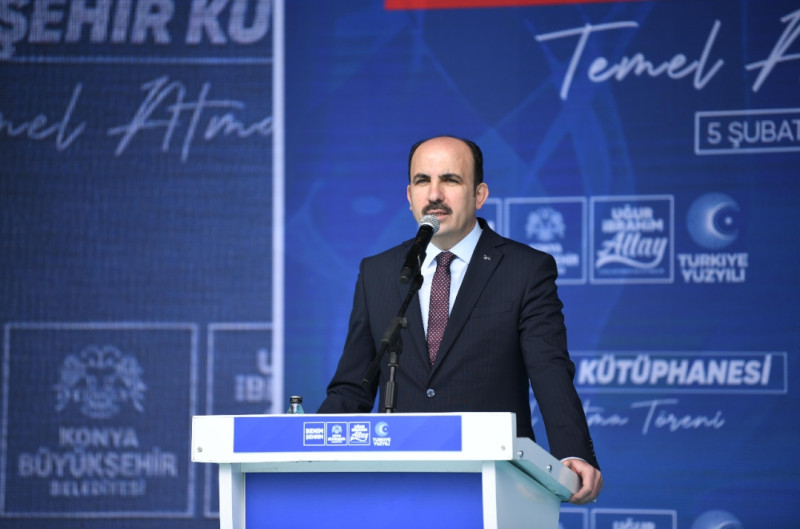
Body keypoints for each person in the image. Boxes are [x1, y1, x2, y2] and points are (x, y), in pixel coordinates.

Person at [318, 135, 603, 504]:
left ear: (479, 195)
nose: (434, 194)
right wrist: (304, 448)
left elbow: (549, 369)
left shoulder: (525, 269)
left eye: (450, 180)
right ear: (409, 196)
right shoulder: (379, 272)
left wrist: (573, 450)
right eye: (422, 181)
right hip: (398, 483)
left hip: (498, 483)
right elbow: (354, 385)